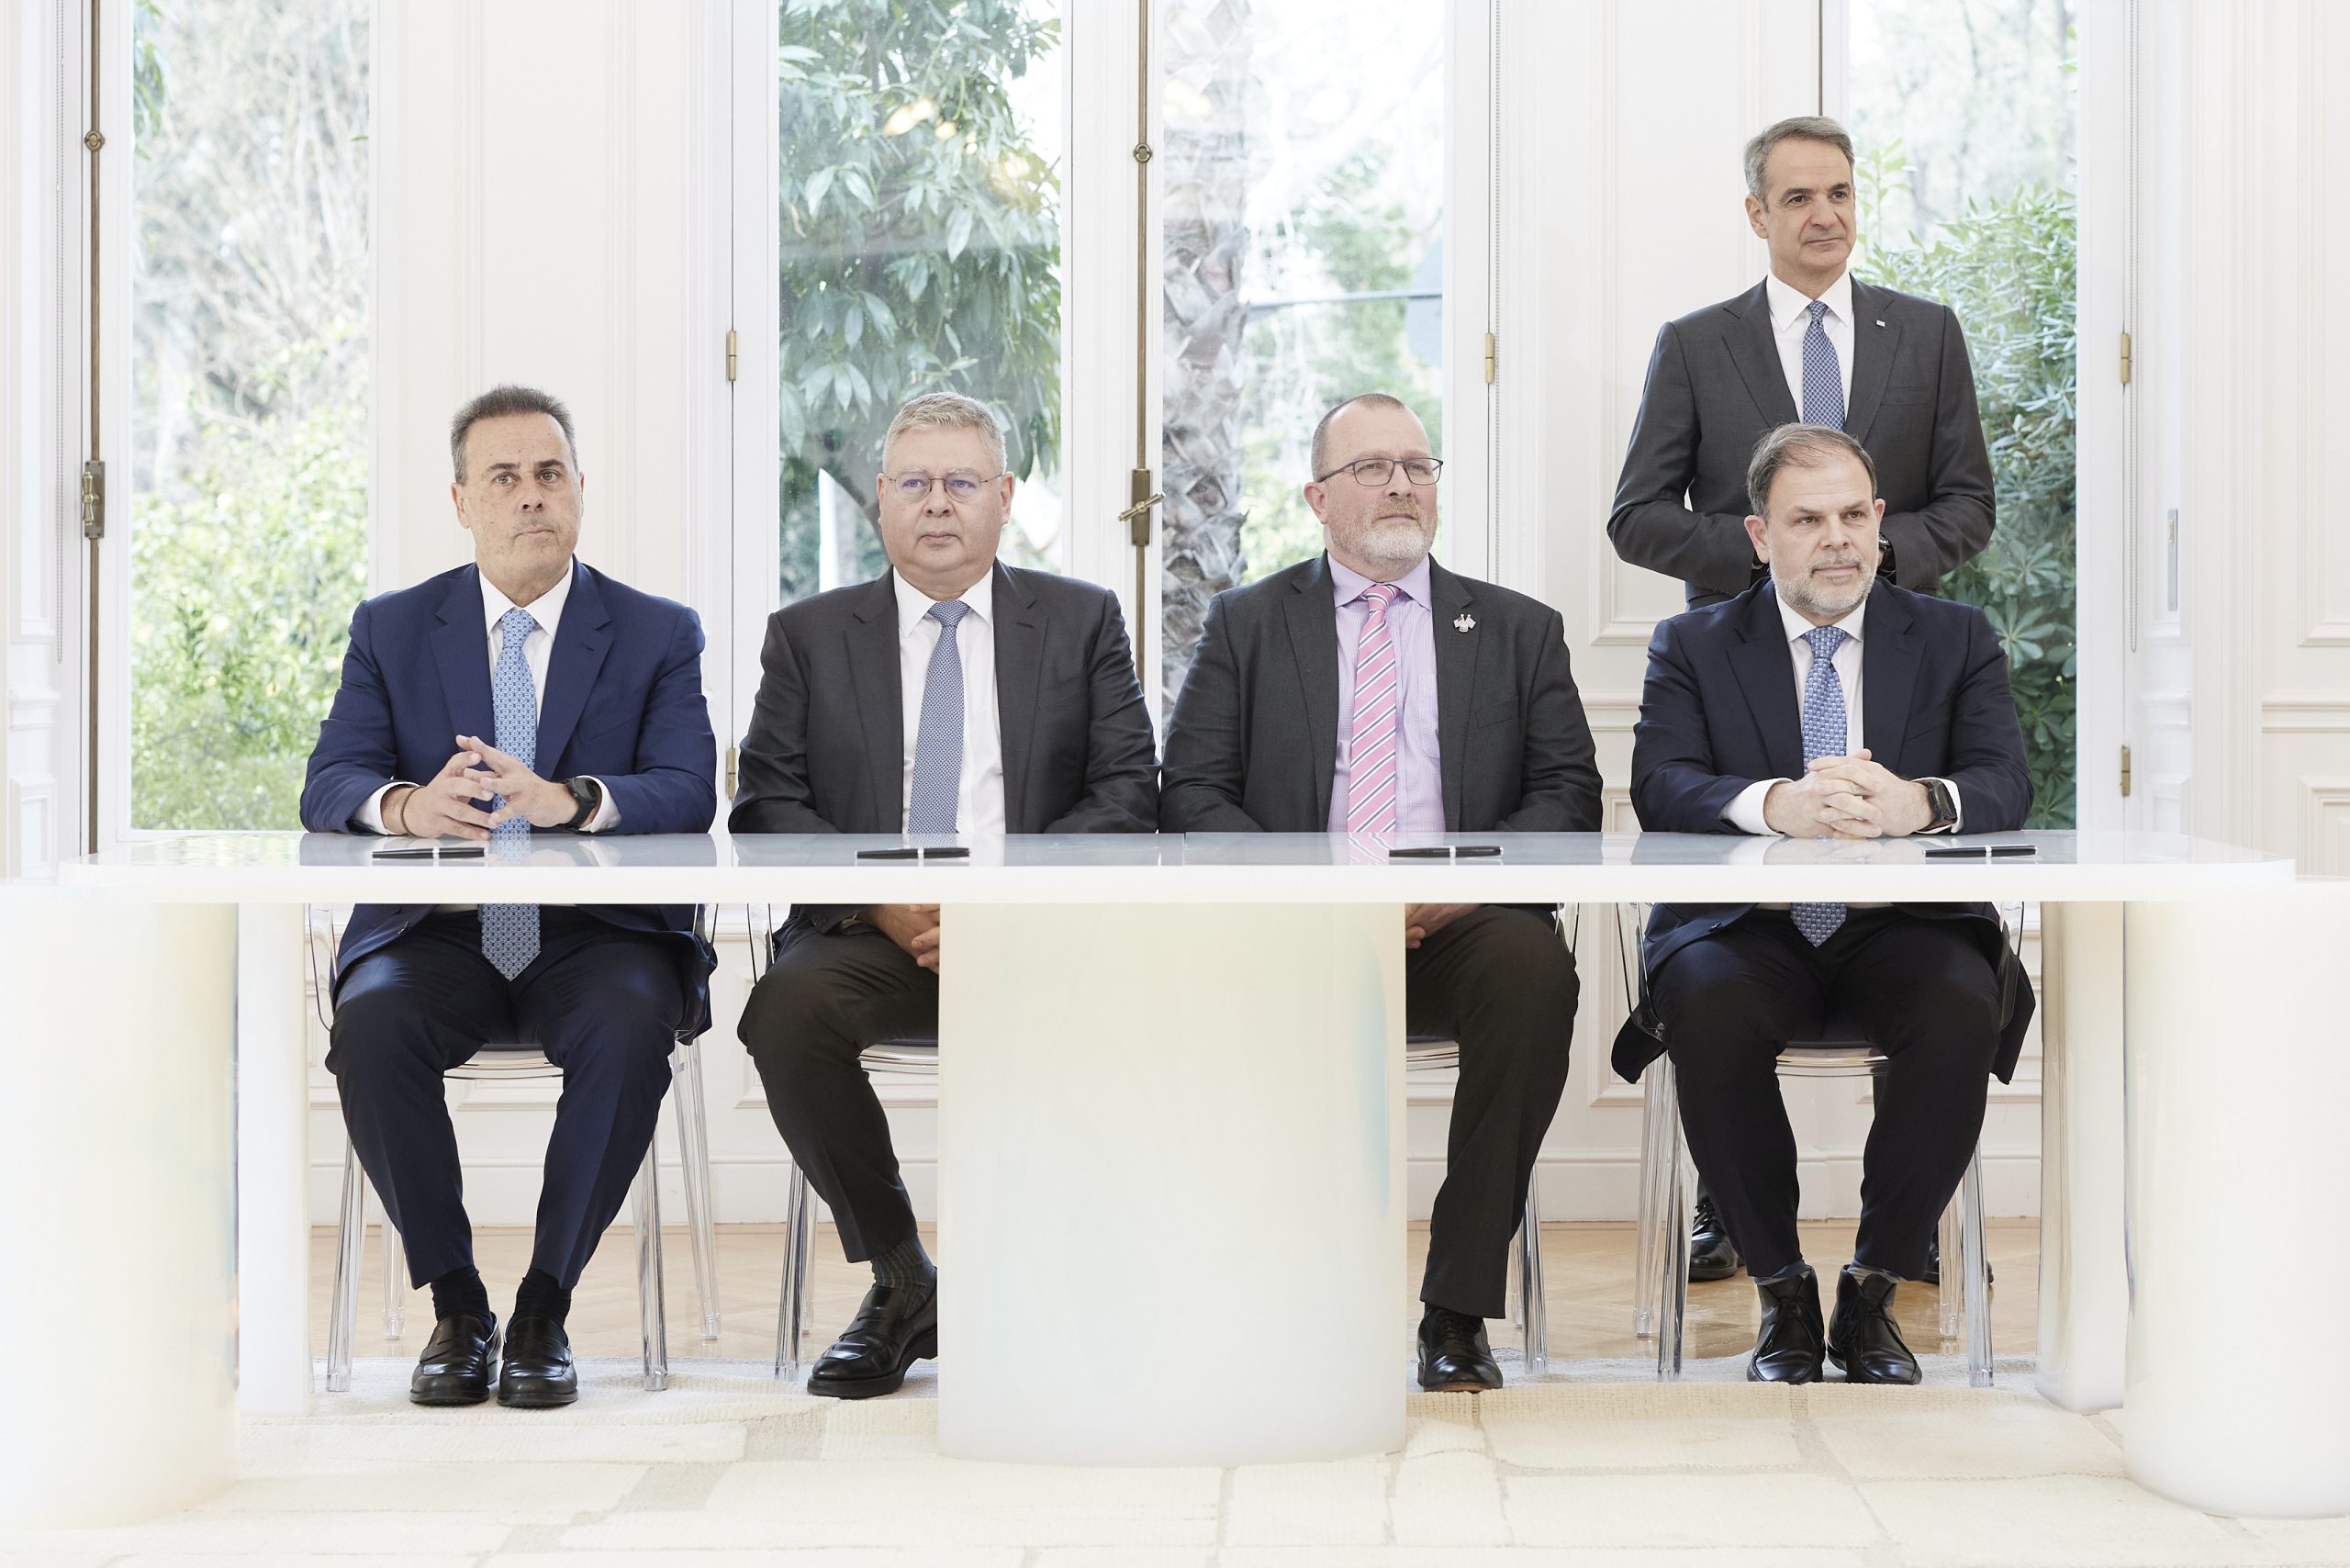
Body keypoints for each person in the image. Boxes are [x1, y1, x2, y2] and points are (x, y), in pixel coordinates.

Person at [1159, 392, 1601, 1393]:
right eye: (1371, 468)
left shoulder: (1518, 629)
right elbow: (1189, 794)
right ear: (1317, 498)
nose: (1401, 484)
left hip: (1460, 922)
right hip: (1297, 925)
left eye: (1417, 465)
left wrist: (1451, 883)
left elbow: (1567, 796)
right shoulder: (1245, 624)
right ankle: (1275, 1294)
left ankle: (1456, 1307)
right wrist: (1321, 893)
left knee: (1534, 971)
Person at [731, 391, 1158, 1399]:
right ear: (880, 497)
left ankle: (1067, 1286)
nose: (937, 504)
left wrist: (997, 906)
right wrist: (886, 902)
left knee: (1141, 1005)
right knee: (785, 1011)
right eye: (915, 483)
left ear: (1004, 498)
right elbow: (768, 806)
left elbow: (1129, 793)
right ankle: (902, 1277)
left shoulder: (1081, 620)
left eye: (961, 482)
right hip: (870, 930)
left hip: (1036, 927)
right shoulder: (807, 634)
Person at [301, 385, 718, 1408]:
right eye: (504, 477)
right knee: (372, 1024)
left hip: (596, 939)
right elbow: (330, 781)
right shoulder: (393, 628)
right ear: (460, 501)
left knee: (630, 1025)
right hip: (439, 937)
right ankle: (457, 1307)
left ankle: (543, 1309)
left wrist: (571, 800)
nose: (532, 495)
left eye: (549, 473)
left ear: (578, 488)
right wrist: (409, 807)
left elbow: (689, 787)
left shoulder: (657, 631)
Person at [1615, 422, 2033, 1384]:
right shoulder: (1692, 642)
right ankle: (1782, 1292)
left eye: (1853, 515)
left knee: (1961, 999)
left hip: (1903, 928)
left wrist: (1916, 803)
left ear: (1880, 522)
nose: (1836, 539)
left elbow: (2003, 781)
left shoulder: (1955, 636)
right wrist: (1777, 807)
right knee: (1705, 1000)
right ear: (1760, 535)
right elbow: (1660, 783)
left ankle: (1873, 1290)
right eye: (1807, 520)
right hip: (1745, 931)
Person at [1609, 115, 1995, 611]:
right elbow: (1637, 518)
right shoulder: (1693, 345)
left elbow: (1971, 504)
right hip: (1741, 630)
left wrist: (1874, 547)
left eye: (1839, 194)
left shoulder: (1929, 332)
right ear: (1758, 215)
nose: (1826, 216)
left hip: (1895, 626)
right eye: (1799, 199)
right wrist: (1771, 548)